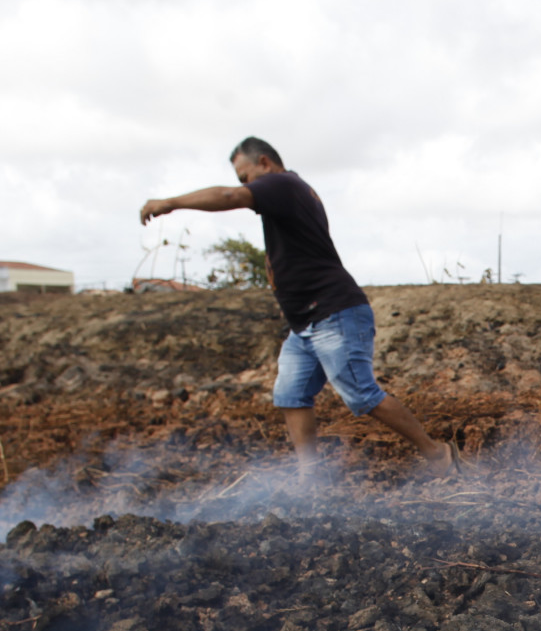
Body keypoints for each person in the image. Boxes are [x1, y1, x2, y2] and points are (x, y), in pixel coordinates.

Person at [139, 136, 454, 474]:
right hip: (305, 324)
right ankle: (311, 477)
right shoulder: (288, 193)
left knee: (362, 395)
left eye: (245, 176)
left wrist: (170, 202)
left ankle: (437, 453)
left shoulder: (282, 184)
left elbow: (230, 196)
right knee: (291, 394)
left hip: (333, 313)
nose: (244, 185)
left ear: (263, 162)